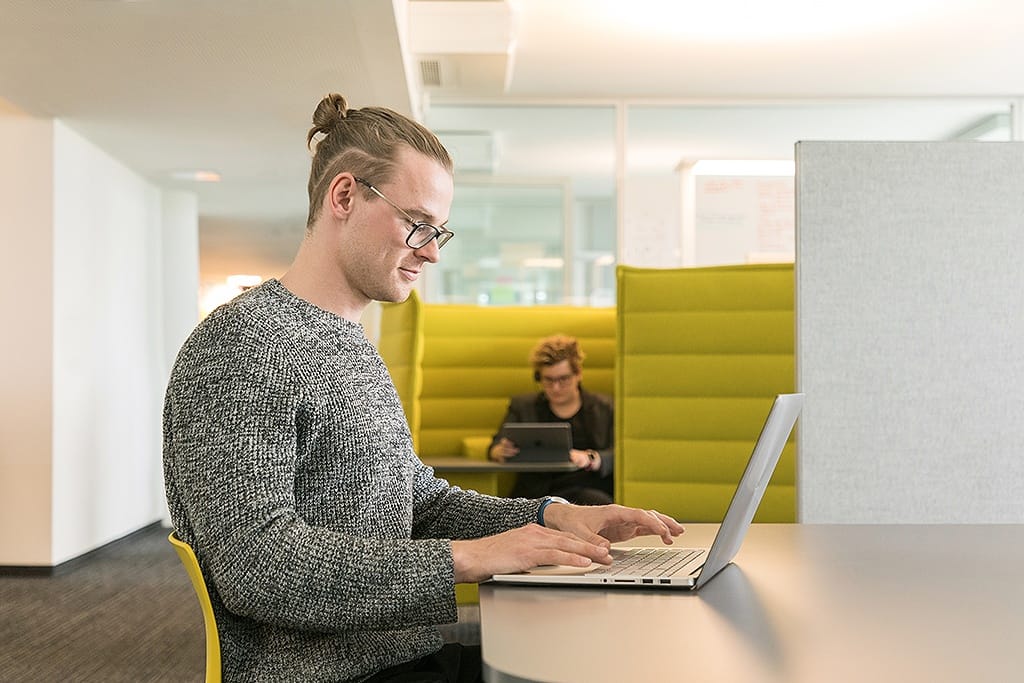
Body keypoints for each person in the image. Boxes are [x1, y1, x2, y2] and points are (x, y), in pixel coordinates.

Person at [162, 92, 684, 683]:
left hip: (399, 656)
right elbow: (258, 568)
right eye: (417, 225)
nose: (432, 252)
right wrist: (466, 558)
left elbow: (419, 504)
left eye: (439, 231)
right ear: (344, 196)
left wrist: (549, 517)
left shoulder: (351, 345)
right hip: (328, 673)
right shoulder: (244, 345)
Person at [488, 335, 614, 505]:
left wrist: (591, 458)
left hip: (585, 490)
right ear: (538, 377)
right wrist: (500, 451)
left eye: (563, 379)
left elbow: (620, 454)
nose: (556, 388)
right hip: (534, 493)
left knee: (598, 505)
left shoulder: (604, 408)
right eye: (548, 380)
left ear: (578, 374)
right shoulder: (523, 407)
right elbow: (494, 447)